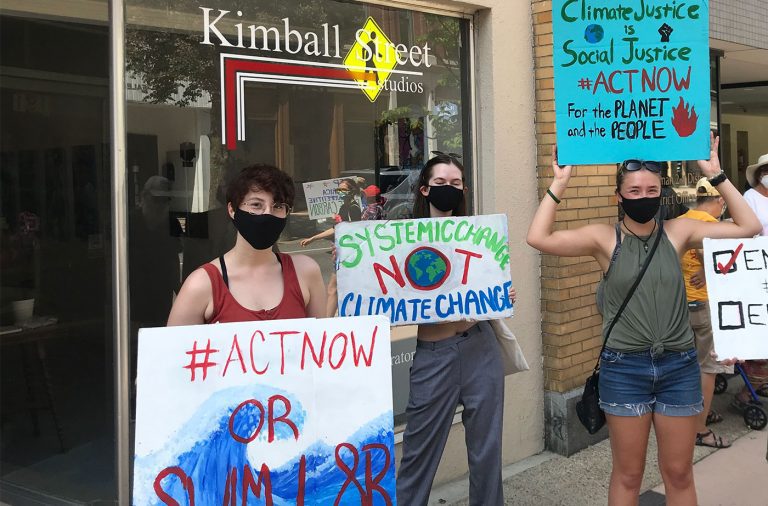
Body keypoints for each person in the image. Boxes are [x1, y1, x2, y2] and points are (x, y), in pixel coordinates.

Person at [526, 134, 760, 505]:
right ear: (618, 197)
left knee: (679, 473)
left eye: (651, 190)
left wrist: (717, 175)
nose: (643, 197)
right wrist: (559, 182)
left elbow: (749, 227)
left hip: (679, 367)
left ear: (661, 194)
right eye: (634, 191)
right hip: (625, 369)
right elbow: (538, 237)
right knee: (629, 475)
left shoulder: (678, 231)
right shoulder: (604, 238)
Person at [396, 152, 515, 506]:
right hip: (433, 356)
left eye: (455, 183)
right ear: (424, 189)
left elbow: (490, 286)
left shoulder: (478, 236)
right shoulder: (402, 238)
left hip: (480, 346)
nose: (448, 188)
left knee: (487, 452)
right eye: (440, 183)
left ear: (463, 189)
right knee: (418, 454)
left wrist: (501, 295)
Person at [167, 164, 326, 325]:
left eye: (278, 206)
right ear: (232, 210)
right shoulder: (201, 284)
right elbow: (175, 341)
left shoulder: (305, 272)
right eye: (256, 205)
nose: (267, 213)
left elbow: (323, 336)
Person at [677, 178, 732, 449]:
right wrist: (706, 268)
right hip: (704, 303)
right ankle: (700, 429)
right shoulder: (712, 226)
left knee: (686, 365)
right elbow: (723, 262)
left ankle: (696, 414)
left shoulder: (682, 220)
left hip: (682, 303)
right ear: (720, 200)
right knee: (708, 366)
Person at [732, 153, 768, 404]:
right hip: (757, 270)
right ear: (760, 174)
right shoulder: (750, 198)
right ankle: (748, 390)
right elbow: (744, 233)